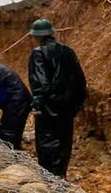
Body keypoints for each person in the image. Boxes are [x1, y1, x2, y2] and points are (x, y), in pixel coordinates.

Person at [26, 19, 87, 179]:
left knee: (47, 142)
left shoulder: (38, 53)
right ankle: (61, 175)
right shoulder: (68, 51)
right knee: (64, 141)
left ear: (36, 36)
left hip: (49, 106)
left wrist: (38, 103)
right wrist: (77, 103)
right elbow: (80, 80)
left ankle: (50, 179)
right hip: (68, 106)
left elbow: (41, 82)